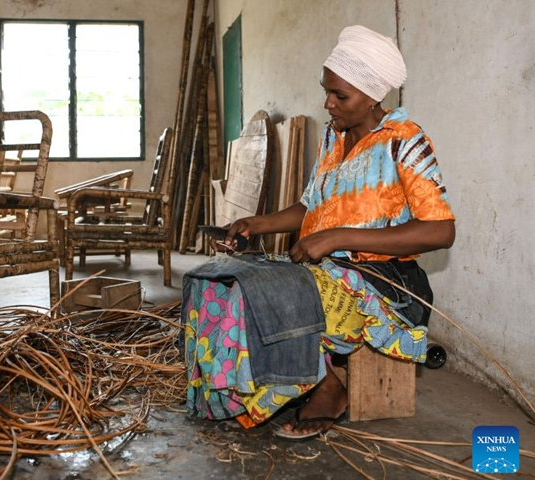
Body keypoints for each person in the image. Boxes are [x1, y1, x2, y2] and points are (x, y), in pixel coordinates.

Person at [182, 25, 455, 440]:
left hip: (384, 283)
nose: (328, 103)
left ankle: (325, 386)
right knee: (221, 281)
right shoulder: (334, 136)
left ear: (373, 96)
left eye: (340, 95)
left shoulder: (405, 142)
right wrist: (259, 223)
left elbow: (440, 231)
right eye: (327, 90)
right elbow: (311, 205)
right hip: (326, 270)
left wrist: (338, 237)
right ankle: (262, 387)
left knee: (272, 292)